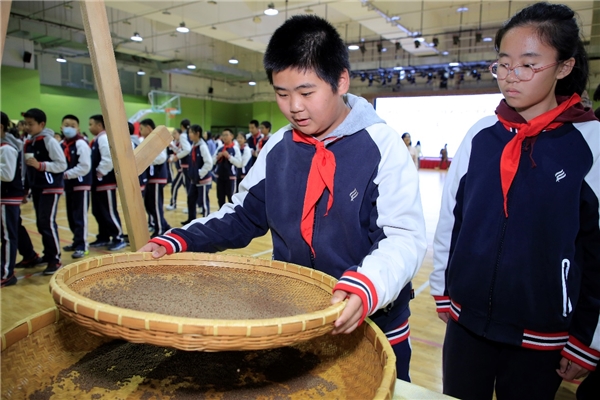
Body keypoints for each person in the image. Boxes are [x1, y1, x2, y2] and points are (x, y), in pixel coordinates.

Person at [140, 14, 427, 382]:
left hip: (370, 322)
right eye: (281, 93)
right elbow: (243, 215)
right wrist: (179, 239)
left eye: (306, 93)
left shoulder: (382, 146)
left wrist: (367, 286)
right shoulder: (279, 146)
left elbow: (403, 236)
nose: (294, 107)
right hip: (292, 317)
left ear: (341, 80)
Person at [430, 3, 600, 399]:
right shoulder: (480, 134)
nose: (510, 77)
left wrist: (589, 339)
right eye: (503, 64)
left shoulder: (590, 145)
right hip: (466, 324)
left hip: (542, 336)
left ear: (563, 66)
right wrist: (443, 287)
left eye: (527, 64)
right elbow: (451, 220)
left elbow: (596, 251)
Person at [22, 108, 67, 275]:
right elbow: (27, 170)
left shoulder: (49, 140)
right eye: (25, 124)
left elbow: (62, 165)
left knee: (47, 223)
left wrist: (41, 165)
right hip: (37, 188)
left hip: (50, 187)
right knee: (41, 224)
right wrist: (26, 189)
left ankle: (55, 259)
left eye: (31, 124)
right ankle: (48, 254)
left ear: (42, 124)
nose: (27, 127)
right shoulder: (28, 142)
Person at [88, 114, 126, 251]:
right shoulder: (96, 139)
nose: (89, 127)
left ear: (99, 125)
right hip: (97, 184)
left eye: (91, 124)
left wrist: (99, 173)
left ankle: (118, 237)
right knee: (98, 211)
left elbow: (108, 159)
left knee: (109, 211)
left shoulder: (103, 138)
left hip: (105, 182)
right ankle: (103, 236)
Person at [61, 114, 92, 259]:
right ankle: (76, 241)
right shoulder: (62, 144)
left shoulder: (81, 143)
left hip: (81, 184)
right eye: (66, 125)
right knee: (71, 216)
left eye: (72, 126)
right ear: (61, 127)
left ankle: (82, 245)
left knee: (80, 216)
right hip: (69, 185)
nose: (69, 128)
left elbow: (85, 166)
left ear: (78, 128)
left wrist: (67, 174)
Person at [1, 112, 23, 286]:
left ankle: (7, 273)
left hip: (8, 198)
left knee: (9, 236)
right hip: (4, 198)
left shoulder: (7, 148)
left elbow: (7, 175)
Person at [139, 119, 171, 237]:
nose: (140, 132)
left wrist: (145, 160)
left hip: (157, 177)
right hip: (150, 178)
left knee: (156, 204)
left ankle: (161, 229)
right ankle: (164, 225)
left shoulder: (157, 140)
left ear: (148, 128)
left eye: (141, 129)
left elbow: (161, 158)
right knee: (149, 204)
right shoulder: (146, 141)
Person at [183, 124, 213, 223]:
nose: (189, 134)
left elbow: (209, 163)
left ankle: (206, 223)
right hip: (194, 180)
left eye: (191, 132)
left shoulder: (202, 146)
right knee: (190, 199)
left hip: (202, 180)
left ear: (197, 133)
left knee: (203, 202)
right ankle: (191, 219)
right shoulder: (193, 145)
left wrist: (199, 173)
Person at [213, 129, 242, 207]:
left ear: (232, 136)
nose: (224, 137)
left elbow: (239, 163)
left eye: (226, 135)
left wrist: (229, 157)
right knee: (220, 198)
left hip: (230, 178)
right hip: (220, 177)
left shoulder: (235, 149)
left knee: (231, 199)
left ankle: (232, 217)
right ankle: (221, 216)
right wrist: (217, 157)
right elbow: (212, 161)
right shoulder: (220, 148)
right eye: (223, 135)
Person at [166, 127, 191, 211]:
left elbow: (182, 153)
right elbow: (178, 152)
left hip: (183, 169)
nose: (173, 135)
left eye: (175, 133)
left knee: (176, 186)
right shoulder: (177, 143)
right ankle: (192, 205)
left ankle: (174, 204)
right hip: (181, 169)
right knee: (187, 187)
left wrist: (173, 148)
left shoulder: (183, 143)